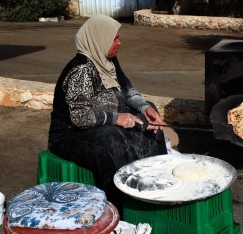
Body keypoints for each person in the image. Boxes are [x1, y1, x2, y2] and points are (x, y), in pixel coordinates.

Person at [48, 14, 168, 210]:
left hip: (104, 123)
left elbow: (128, 91)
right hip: (70, 135)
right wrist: (116, 119)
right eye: (115, 38)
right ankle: (120, 205)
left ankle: (157, 183)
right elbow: (80, 117)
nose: (120, 42)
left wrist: (145, 107)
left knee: (149, 122)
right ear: (99, 39)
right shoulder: (81, 71)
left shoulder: (108, 61)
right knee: (112, 138)